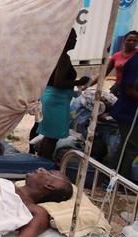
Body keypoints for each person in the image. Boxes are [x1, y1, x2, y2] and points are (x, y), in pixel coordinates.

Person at [35, 29, 90, 160]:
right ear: (64, 39)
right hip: (56, 100)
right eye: (72, 38)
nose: (75, 41)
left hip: (52, 97)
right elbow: (59, 82)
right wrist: (79, 81)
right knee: (52, 137)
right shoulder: (63, 57)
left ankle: (41, 162)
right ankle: (45, 164)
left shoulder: (55, 55)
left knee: (49, 136)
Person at [110, 52, 138, 180]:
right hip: (129, 112)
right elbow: (128, 89)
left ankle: (112, 175)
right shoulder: (134, 63)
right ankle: (123, 180)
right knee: (131, 146)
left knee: (125, 145)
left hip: (129, 112)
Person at [85, 31, 137, 95]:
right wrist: (87, 85)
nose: (132, 42)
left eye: (135, 41)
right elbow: (103, 73)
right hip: (118, 88)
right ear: (124, 40)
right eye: (129, 40)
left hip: (134, 89)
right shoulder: (116, 55)